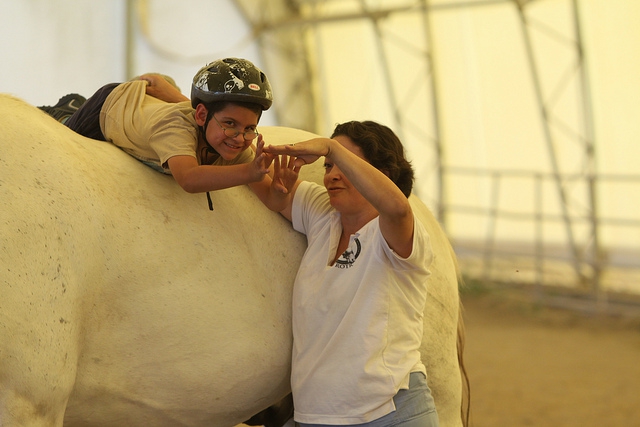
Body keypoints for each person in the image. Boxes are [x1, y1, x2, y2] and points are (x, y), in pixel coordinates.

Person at [260, 121, 439, 427]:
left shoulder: (399, 232)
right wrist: (197, 110)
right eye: (329, 165)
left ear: (381, 175)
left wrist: (332, 148)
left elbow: (396, 208)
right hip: (314, 417)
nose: (331, 174)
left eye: (343, 163)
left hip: (393, 414)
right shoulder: (321, 213)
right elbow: (246, 159)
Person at [39, 58, 287, 210]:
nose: (239, 137)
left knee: (175, 117)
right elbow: (189, 178)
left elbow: (273, 202)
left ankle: (166, 92)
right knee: (61, 137)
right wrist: (249, 173)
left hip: (161, 115)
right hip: (111, 106)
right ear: (201, 115)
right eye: (230, 123)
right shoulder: (175, 128)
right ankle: (67, 109)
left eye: (249, 129)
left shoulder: (238, 145)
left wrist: (280, 188)